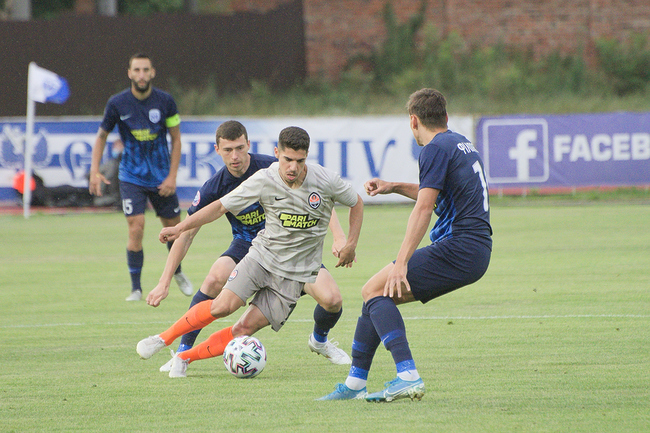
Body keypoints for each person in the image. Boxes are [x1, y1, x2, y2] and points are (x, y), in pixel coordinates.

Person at [136, 126, 364, 378]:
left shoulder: (322, 179)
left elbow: (344, 202)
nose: (293, 167)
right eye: (287, 159)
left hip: (297, 269)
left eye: (299, 161)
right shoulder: (262, 178)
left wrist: (347, 241)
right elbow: (219, 208)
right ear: (277, 153)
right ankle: (163, 339)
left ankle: (184, 357)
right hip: (260, 254)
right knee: (221, 303)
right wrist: (179, 228)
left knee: (248, 327)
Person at [319, 88, 492, 402]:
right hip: (475, 249)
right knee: (375, 296)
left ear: (414, 121)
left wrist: (401, 263)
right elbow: (437, 194)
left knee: (373, 291)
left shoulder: (434, 149)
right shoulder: (460, 143)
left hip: (460, 246)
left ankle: (407, 375)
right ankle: (355, 384)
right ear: (445, 116)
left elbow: (424, 208)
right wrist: (394, 186)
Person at [88, 53, 192, 302]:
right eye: (137, 70)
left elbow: (176, 139)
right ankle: (136, 288)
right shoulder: (117, 103)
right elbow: (101, 136)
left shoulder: (165, 101)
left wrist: (172, 177)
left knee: (173, 229)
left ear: (152, 72)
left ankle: (177, 271)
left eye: (146, 70)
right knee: (136, 228)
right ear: (130, 73)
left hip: (161, 178)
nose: (142, 75)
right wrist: (94, 171)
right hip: (131, 176)